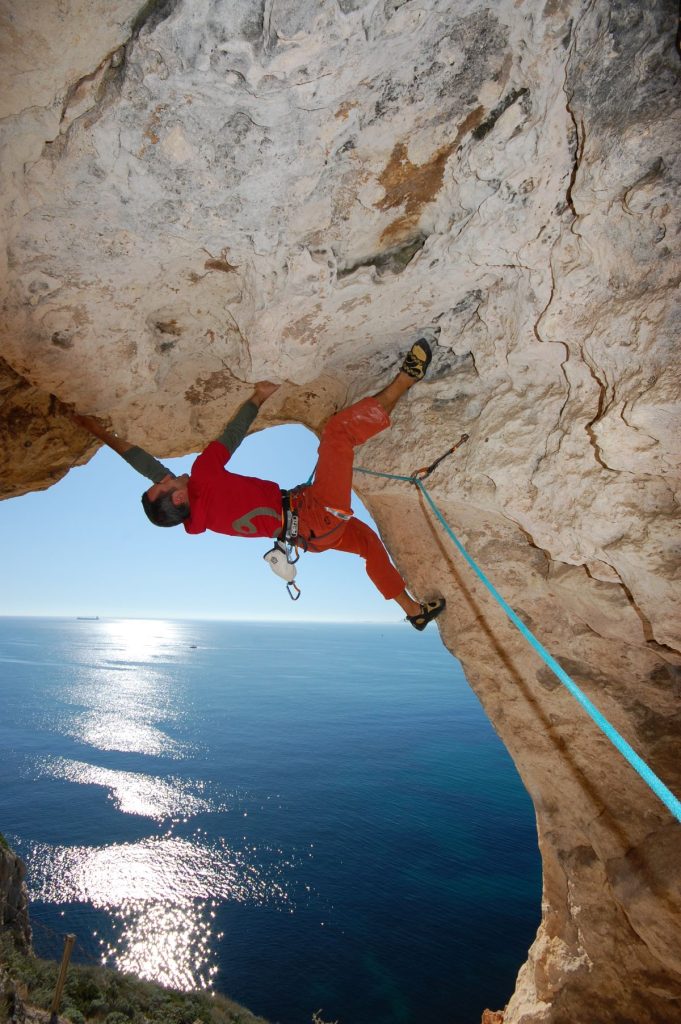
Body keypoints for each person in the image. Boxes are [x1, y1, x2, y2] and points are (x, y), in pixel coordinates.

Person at [70, 340, 446, 630]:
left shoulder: (195, 516)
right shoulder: (203, 475)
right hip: (316, 514)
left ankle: (413, 612)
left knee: (367, 545)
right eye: (165, 482)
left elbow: (147, 468)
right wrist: (258, 396)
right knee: (338, 432)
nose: (164, 474)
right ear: (178, 495)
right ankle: (406, 379)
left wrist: (100, 432)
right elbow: (232, 435)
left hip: (311, 536)